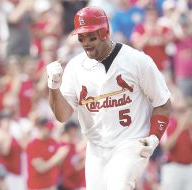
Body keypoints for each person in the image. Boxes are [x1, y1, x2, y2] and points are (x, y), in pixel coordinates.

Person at [46, 6, 171, 190]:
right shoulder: (75, 67)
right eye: (81, 37)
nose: (86, 42)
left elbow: (163, 103)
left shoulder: (137, 60)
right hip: (96, 148)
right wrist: (53, 86)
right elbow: (62, 116)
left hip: (130, 142)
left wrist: (154, 136)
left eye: (91, 37)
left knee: (118, 185)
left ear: (105, 32)